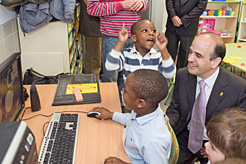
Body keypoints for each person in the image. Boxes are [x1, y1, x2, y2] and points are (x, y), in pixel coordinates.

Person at [166, 32, 246, 164]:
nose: (190, 58)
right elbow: (176, 108)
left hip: (216, 143)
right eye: (190, 52)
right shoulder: (182, 75)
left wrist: (214, 144)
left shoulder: (238, 88)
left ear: (215, 62)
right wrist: (166, 127)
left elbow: (238, 130)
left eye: (198, 55)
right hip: (185, 135)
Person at [91, 69, 172, 164]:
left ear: (140, 103)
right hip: (125, 150)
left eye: (126, 92)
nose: (122, 91)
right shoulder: (145, 111)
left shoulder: (152, 140)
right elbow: (130, 120)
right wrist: (111, 115)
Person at [87, 0, 148, 84]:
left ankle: (122, 96)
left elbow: (145, 2)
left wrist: (141, 4)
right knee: (111, 78)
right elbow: (92, 8)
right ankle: (111, 97)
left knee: (129, 77)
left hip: (134, 37)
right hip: (113, 38)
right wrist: (121, 5)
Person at [105, 19, 176, 80]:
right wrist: (121, 42)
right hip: (131, 95)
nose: (151, 33)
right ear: (134, 38)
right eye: (145, 30)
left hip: (151, 95)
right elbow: (110, 66)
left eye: (153, 31)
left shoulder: (158, 56)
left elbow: (170, 74)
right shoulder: (126, 54)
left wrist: (163, 49)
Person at [165, 0, 207, 70]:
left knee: (185, 55)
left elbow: (200, 7)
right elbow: (169, 2)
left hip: (189, 27)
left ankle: (180, 75)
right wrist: (173, 16)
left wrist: (183, 20)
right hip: (172, 26)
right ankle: (167, 75)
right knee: (169, 52)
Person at [79, 0, 102, 74]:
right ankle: (92, 82)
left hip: (101, 24)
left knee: (98, 57)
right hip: (93, 24)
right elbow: (92, 5)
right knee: (94, 59)